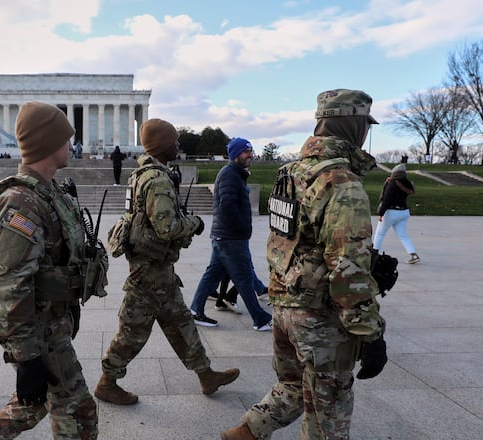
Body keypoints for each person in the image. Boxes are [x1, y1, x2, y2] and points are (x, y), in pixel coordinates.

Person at [222, 89, 388, 440]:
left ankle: (247, 432)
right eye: (364, 124)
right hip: (319, 317)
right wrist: (369, 333)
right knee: (329, 413)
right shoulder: (341, 182)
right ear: (353, 125)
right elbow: (349, 268)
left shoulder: (290, 172)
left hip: (284, 305)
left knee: (294, 385)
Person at [0, 102, 98, 440]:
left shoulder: (52, 193)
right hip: (38, 328)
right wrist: (26, 358)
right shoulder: (21, 201)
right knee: (78, 412)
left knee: (31, 407)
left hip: (52, 321)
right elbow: (9, 281)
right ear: (49, 143)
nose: (72, 144)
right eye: (67, 138)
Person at [95, 118, 239, 406]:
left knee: (181, 322)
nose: (178, 145)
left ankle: (205, 374)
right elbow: (167, 228)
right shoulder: (158, 180)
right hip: (149, 272)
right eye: (174, 141)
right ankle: (107, 383)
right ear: (162, 146)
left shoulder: (141, 175)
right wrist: (195, 223)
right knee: (132, 331)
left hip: (158, 270)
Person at [189, 137, 272, 331]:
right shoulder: (229, 174)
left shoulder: (235, 173)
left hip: (224, 236)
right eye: (246, 151)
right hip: (231, 237)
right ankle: (260, 320)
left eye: (251, 151)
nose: (250, 155)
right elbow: (227, 206)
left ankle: (195, 310)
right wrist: (242, 228)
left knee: (212, 275)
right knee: (244, 278)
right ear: (235, 154)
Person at [373, 163, 420, 263]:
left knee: (379, 234)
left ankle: (373, 255)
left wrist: (381, 213)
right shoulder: (407, 184)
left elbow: (386, 199)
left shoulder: (393, 183)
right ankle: (413, 255)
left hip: (391, 212)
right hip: (404, 212)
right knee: (403, 235)